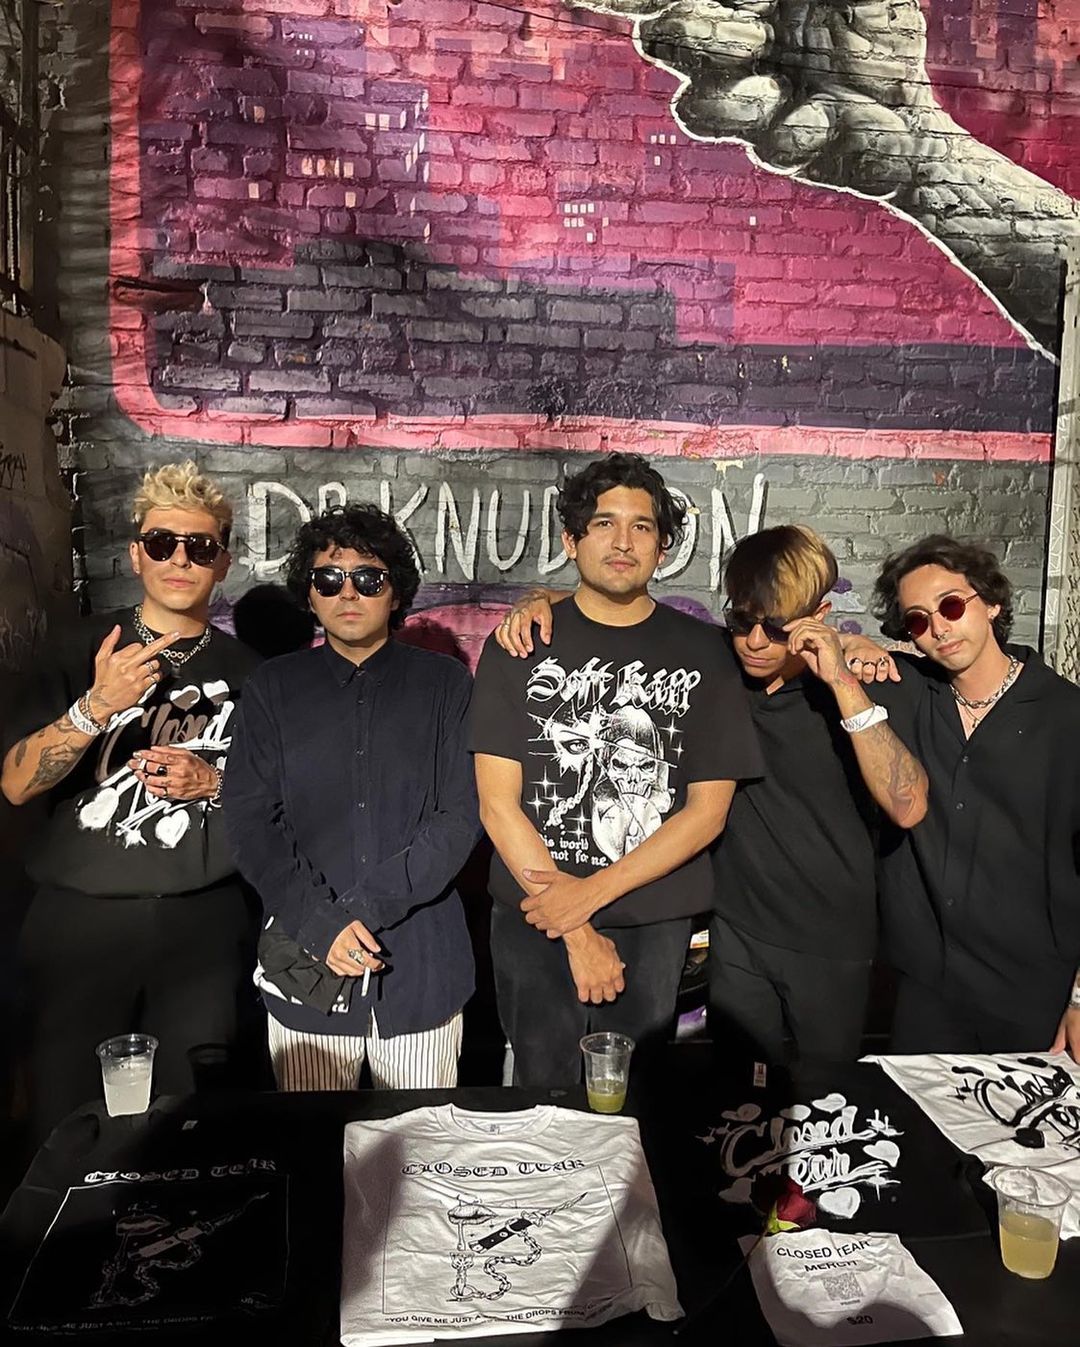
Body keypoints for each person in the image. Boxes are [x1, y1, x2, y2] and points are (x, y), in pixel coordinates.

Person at [498, 524, 929, 1065]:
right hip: (736, 935)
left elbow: (908, 806)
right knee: (737, 1095)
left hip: (831, 941)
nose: (755, 641)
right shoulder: (715, 663)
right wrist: (537, 600)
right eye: (742, 621)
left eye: (777, 627)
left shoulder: (864, 684)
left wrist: (845, 679)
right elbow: (623, 608)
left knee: (827, 1096)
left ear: (818, 617)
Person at [469, 453, 764, 1088]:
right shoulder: (520, 645)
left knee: (638, 1102)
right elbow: (498, 805)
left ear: (664, 547)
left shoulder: (706, 654)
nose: (623, 541)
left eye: (642, 526)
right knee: (542, 1096)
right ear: (571, 540)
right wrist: (576, 927)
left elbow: (706, 813)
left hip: (653, 922)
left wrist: (590, 896)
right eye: (604, 523)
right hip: (535, 917)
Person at [0, 460, 261, 1140]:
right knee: (68, 1122)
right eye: (161, 542)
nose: (180, 559)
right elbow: (17, 782)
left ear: (224, 561)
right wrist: (95, 707)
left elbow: (279, 799)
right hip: (78, 924)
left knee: (190, 1125)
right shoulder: (78, 647)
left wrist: (213, 782)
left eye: (199, 546)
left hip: (204, 925)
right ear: (136, 554)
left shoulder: (252, 673)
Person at [222, 503, 480, 1090]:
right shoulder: (274, 689)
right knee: (312, 1140)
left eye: (368, 578)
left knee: (419, 1140)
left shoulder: (444, 686)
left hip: (419, 973)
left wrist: (362, 911)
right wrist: (320, 924)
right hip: (304, 974)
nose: (348, 592)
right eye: (328, 578)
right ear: (309, 594)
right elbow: (251, 821)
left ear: (396, 592)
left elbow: (461, 817)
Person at [861, 535, 1080, 1057]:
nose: (939, 628)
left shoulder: (1066, 717)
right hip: (928, 988)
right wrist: (855, 648)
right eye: (918, 620)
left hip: (1034, 991)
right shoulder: (910, 693)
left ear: (992, 603)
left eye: (952, 606)